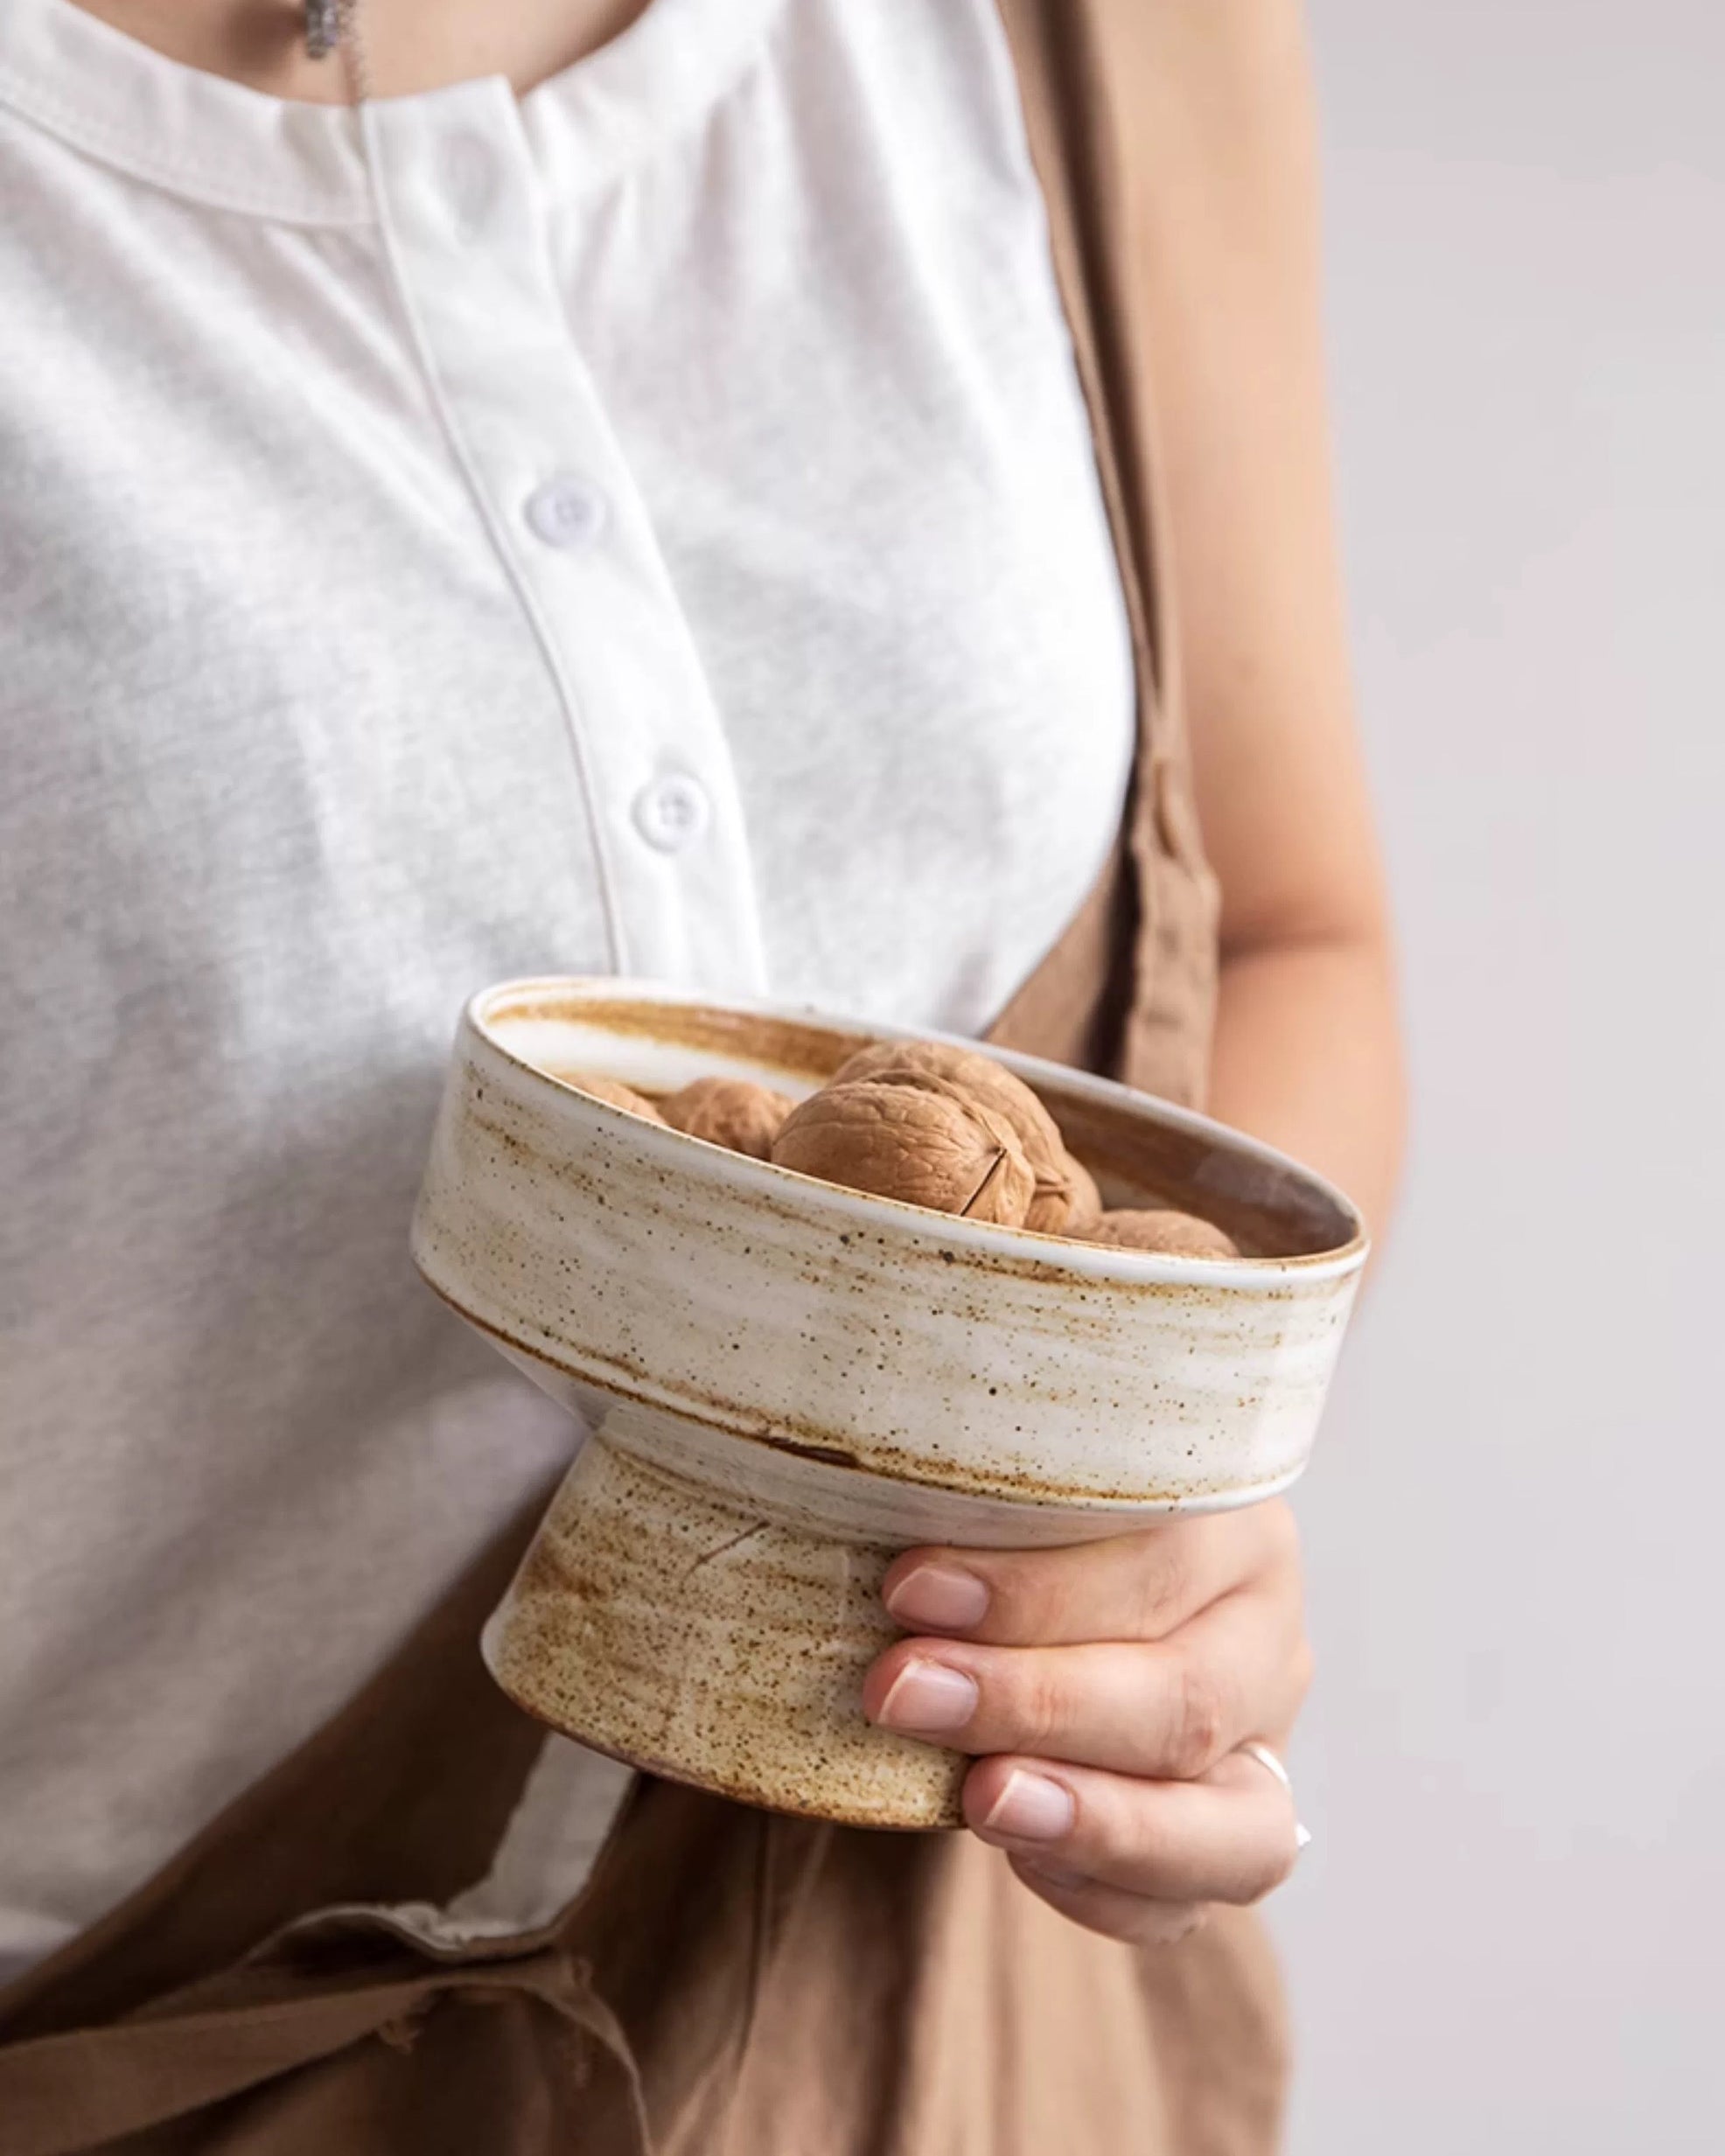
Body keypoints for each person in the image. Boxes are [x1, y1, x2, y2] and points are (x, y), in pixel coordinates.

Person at [0, 0, 1403, 2146]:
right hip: (125, 2047)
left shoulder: (1097, 42)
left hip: (942, 2032)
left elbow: (1283, 924)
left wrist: (1149, 1539)